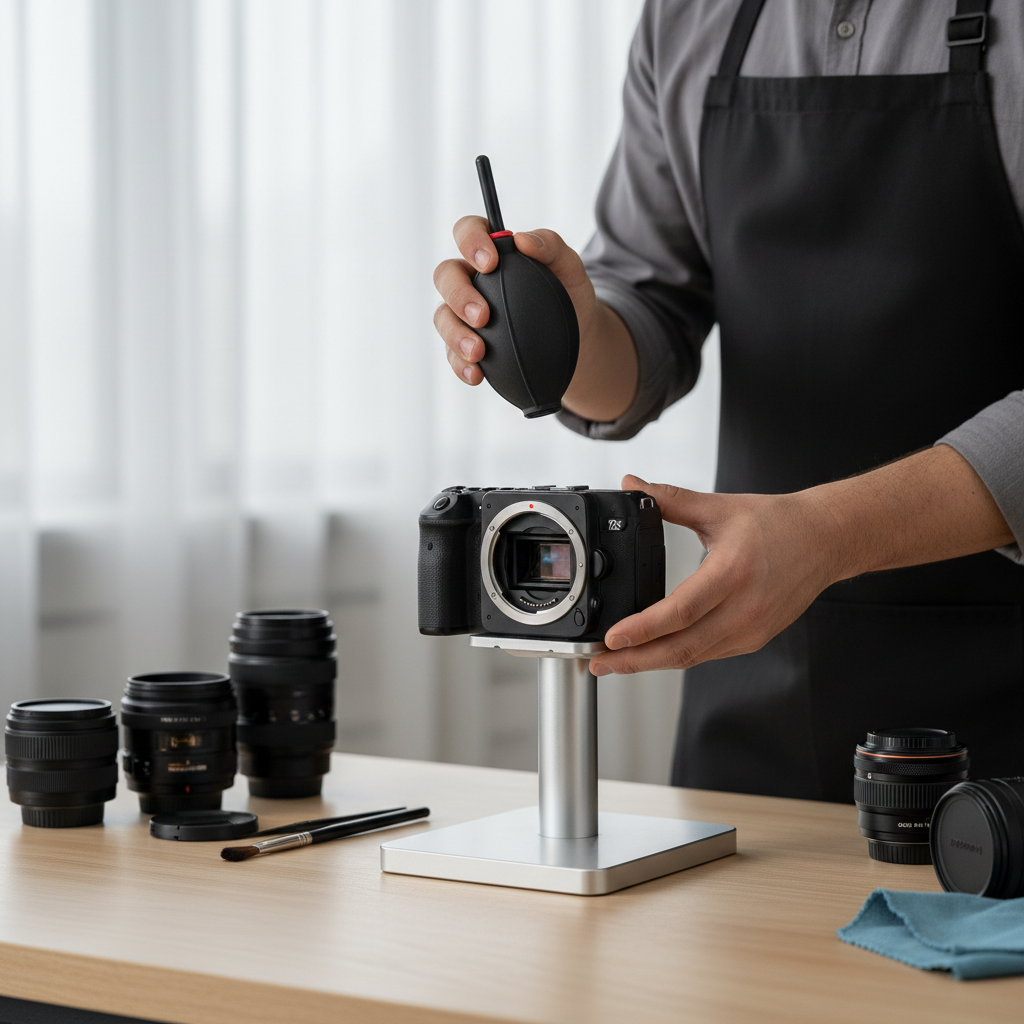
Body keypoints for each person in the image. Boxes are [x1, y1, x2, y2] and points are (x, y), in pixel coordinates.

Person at [432, 0, 1024, 801]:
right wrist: (563, 332)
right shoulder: (688, 18)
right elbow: (646, 314)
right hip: (750, 684)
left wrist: (827, 536)